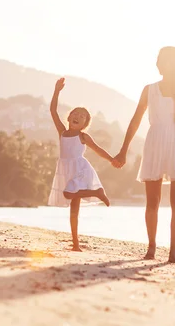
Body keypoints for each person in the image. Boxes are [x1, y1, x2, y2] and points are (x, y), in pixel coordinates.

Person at [113, 46, 175, 263]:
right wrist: (123, 149)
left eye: (163, 60)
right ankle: (151, 248)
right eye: (159, 60)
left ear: (174, 64)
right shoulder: (149, 89)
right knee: (153, 201)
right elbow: (136, 120)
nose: (159, 63)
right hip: (154, 142)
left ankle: (173, 253)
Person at [48, 77, 112, 251]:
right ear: (69, 117)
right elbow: (53, 110)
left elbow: (98, 150)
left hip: (80, 170)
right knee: (73, 209)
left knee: (69, 194)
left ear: (85, 124)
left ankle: (96, 192)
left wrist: (113, 160)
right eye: (75, 114)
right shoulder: (62, 132)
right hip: (66, 169)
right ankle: (75, 243)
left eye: (82, 117)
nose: (78, 116)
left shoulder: (83, 136)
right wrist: (56, 91)